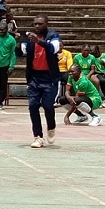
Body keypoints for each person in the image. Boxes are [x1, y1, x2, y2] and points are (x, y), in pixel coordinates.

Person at [17, 15, 61, 148]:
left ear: (46, 24)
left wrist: (39, 42)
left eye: (40, 24)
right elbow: (21, 52)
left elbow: (53, 49)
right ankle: (38, 137)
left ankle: (51, 127)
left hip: (49, 78)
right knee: (33, 106)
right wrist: (18, 41)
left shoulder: (53, 36)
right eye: (35, 24)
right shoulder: (29, 38)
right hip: (34, 77)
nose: (37, 26)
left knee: (48, 106)